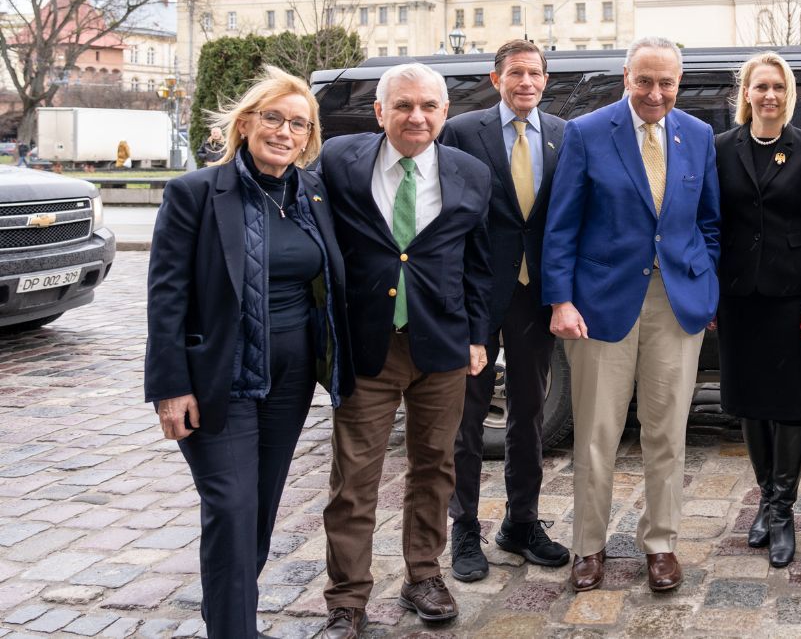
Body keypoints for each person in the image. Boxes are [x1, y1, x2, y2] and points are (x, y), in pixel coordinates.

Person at [144, 65, 354, 637]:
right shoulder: (195, 193)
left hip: (289, 384)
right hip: (219, 381)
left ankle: (227, 607)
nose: (284, 131)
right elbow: (166, 297)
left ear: (309, 139)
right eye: (273, 118)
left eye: (299, 125)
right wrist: (169, 387)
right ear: (245, 123)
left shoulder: (311, 194)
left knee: (258, 512)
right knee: (232, 509)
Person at [316, 62, 491, 634]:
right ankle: (347, 598)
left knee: (435, 469)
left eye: (429, 107)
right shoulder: (341, 161)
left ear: (446, 113)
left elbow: (479, 265)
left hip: (441, 346)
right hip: (369, 347)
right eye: (404, 105)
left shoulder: (469, 172)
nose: (417, 117)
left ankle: (423, 575)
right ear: (380, 111)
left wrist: (477, 336)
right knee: (354, 479)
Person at [543, 36, 720, 593]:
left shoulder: (698, 135)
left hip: (676, 306)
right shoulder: (588, 132)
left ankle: (661, 543)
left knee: (667, 432)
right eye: (645, 80)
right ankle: (588, 546)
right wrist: (561, 300)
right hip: (600, 308)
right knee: (597, 434)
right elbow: (561, 225)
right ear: (626, 76)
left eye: (667, 82)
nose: (656, 93)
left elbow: (709, 224)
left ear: (679, 82)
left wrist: (704, 284)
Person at [439, 39, 569, 581]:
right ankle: (464, 529)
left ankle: (521, 522)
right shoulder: (464, 132)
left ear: (545, 79)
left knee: (529, 412)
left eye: (535, 73)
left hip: (533, 295)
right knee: (466, 418)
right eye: (515, 73)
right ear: (497, 79)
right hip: (476, 292)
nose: (526, 82)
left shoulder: (563, 134)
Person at [713, 52, 801, 568]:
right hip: (739, 296)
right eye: (760, 86)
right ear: (746, 93)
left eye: (778, 87)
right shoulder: (720, 148)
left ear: (790, 95)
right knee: (749, 400)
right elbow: (711, 223)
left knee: (790, 403)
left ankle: (782, 510)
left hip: (791, 299)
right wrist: (711, 296)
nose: (769, 96)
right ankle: (765, 496)